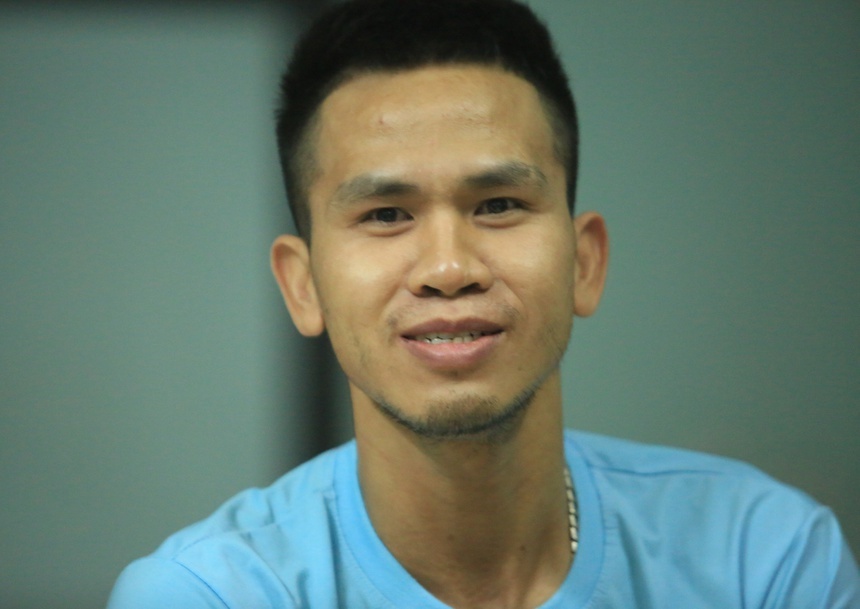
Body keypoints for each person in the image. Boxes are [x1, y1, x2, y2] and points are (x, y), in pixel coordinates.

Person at [107, 0, 860, 607]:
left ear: (585, 262)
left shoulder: (762, 558)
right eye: (386, 214)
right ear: (303, 286)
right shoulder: (211, 594)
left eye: (499, 204)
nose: (448, 268)